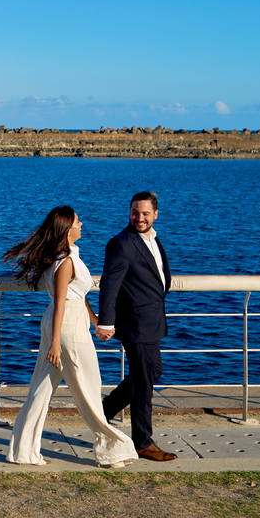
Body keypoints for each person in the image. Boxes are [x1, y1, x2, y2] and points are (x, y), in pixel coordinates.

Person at [5, 206, 136, 467]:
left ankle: (23, 451)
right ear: (66, 230)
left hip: (63, 321)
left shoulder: (65, 256)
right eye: (77, 221)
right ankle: (113, 448)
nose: (82, 223)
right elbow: (63, 303)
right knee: (88, 388)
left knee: (40, 390)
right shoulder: (65, 261)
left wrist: (97, 322)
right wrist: (55, 343)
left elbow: (78, 296)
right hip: (65, 326)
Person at [95, 190, 177, 461]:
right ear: (128, 212)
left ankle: (104, 411)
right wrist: (106, 322)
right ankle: (142, 441)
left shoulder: (153, 238)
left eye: (144, 213)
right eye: (134, 212)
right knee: (143, 382)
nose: (138, 218)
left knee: (153, 371)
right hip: (135, 324)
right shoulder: (121, 243)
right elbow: (108, 285)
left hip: (152, 321)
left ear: (155, 214)